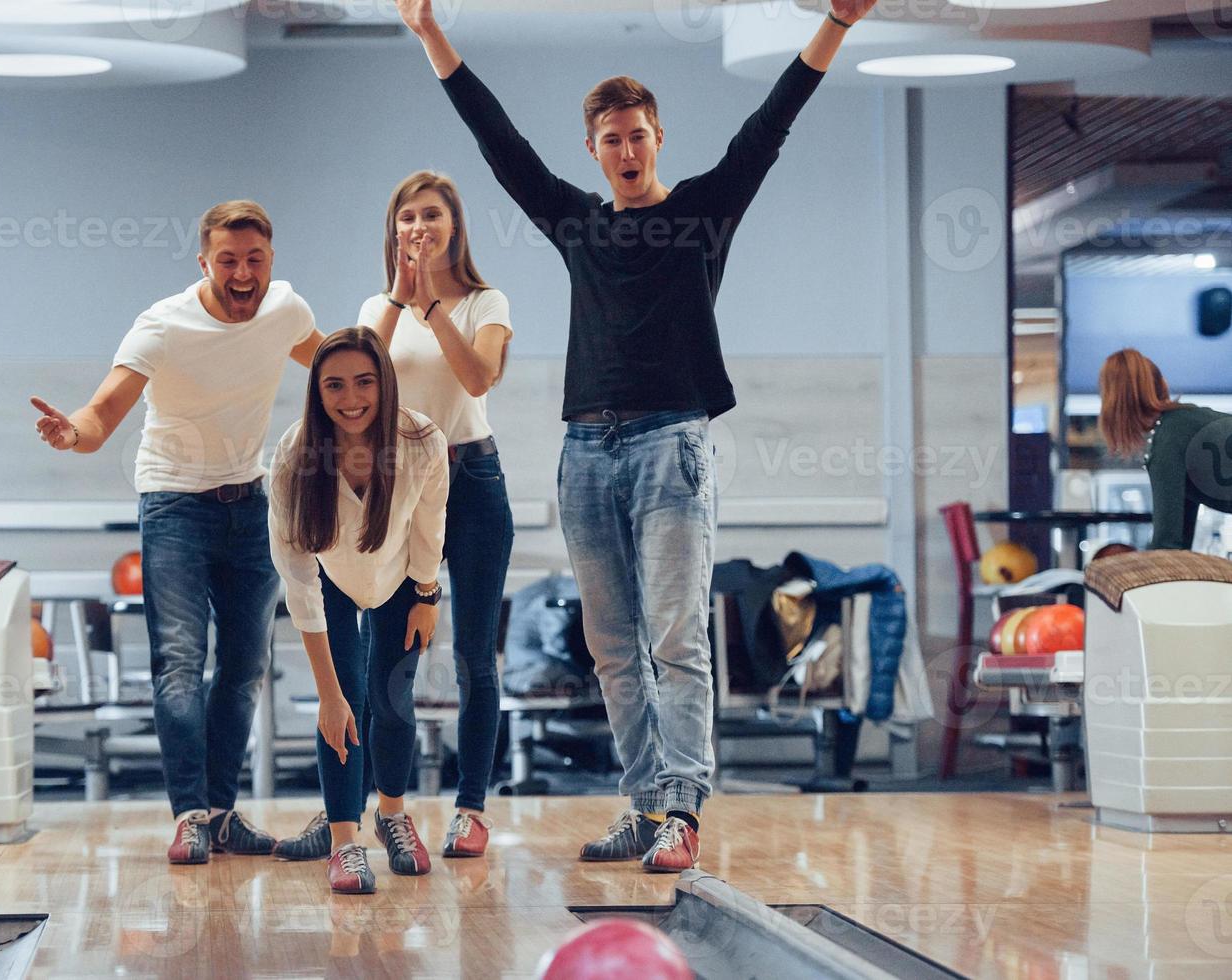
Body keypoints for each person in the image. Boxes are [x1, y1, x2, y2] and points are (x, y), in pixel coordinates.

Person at [394, 0, 877, 871]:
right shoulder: (576, 222)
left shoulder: (701, 212)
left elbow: (770, 125)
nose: (626, 151)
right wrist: (429, 32)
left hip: (670, 446)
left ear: (658, 140)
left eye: (639, 136)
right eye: (612, 139)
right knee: (612, 648)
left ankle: (682, 815)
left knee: (674, 640)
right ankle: (646, 805)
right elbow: (499, 144)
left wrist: (835, 24)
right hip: (584, 453)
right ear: (593, 149)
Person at [31, 200, 323, 864]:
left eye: (254, 259)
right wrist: (70, 432)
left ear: (271, 261)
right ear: (204, 263)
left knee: (245, 669)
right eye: (228, 261)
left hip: (250, 504)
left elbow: (338, 371)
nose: (242, 273)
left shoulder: (286, 311)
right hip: (173, 506)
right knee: (180, 664)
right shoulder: (162, 326)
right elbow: (103, 413)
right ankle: (190, 814)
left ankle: (221, 814)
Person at [272, 172, 514, 863]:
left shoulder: (482, 302)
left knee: (471, 656)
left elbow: (476, 378)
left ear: (453, 226)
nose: (418, 226)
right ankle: (349, 812)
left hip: (467, 476)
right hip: (385, 480)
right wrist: (397, 300)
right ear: (394, 230)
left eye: (431, 215)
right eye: (406, 217)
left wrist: (433, 308)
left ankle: (469, 808)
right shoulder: (378, 306)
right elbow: (349, 367)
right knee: (378, 670)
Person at [267, 327, 450, 895]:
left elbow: (429, 526)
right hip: (329, 581)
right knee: (341, 707)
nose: (351, 398)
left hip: (398, 579)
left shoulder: (421, 441)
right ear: (317, 391)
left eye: (365, 382)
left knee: (392, 702)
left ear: (385, 383)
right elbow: (297, 575)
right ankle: (344, 842)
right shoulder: (296, 455)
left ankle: (392, 814)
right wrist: (327, 690)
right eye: (335, 385)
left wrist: (427, 593)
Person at [1099, 348, 1232, 550]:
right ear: (1159, 383)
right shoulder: (1184, 422)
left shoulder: (1166, 440)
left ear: (1113, 398)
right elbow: (1178, 543)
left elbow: (1167, 543)